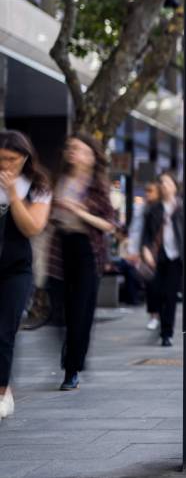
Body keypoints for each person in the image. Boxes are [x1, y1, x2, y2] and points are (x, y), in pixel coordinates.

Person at [46, 134, 116, 391]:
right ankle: (72, 354)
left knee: (79, 312)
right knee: (59, 311)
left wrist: (78, 211)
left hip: (87, 250)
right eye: (71, 148)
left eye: (80, 149)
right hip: (60, 247)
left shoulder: (98, 186)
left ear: (91, 156)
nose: (73, 152)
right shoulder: (59, 179)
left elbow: (109, 224)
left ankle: (72, 369)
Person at [0, 131, 52, 419]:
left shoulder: (38, 186)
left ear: (25, 158)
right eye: (0, 160)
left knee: (5, 330)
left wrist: (12, 196)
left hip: (16, 269)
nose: (5, 166)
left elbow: (33, 227)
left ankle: (2, 391)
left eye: (11, 160)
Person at [141, 171, 183, 347]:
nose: (164, 185)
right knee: (157, 292)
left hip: (176, 257)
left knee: (170, 295)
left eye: (167, 182)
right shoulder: (153, 209)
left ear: (174, 185)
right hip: (158, 256)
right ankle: (160, 322)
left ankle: (167, 333)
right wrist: (145, 250)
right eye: (162, 182)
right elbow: (146, 234)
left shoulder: (182, 207)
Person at [125, 182, 161, 329]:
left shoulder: (164, 208)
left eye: (151, 191)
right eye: (146, 191)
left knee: (161, 287)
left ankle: (161, 315)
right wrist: (133, 250)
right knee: (151, 285)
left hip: (163, 252)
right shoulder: (142, 209)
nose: (148, 194)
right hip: (147, 251)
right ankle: (154, 315)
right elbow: (136, 230)